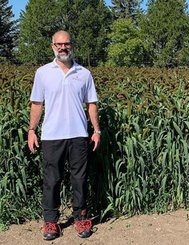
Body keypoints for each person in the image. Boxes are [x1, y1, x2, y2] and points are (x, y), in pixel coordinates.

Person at [27, 30, 101, 241]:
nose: (63, 47)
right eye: (59, 44)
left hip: (78, 134)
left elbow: (92, 104)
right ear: (52, 46)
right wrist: (32, 130)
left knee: (79, 179)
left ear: (72, 46)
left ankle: (81, 218)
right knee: (52, 179)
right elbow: (37, 104)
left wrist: (96, 131)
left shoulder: (84, 73)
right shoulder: (42, 73)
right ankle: (51, 222)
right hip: (52, 135)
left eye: (66, 44)